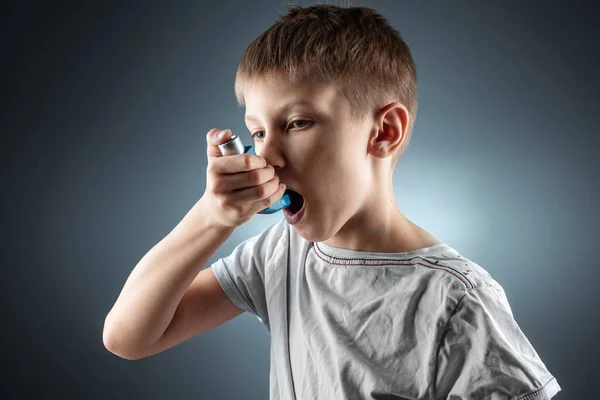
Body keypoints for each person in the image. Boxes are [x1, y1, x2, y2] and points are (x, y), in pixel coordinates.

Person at [103, 3, 561, 399]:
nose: (267, 156)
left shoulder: (456, 302)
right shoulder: (278, 255)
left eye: (298, 123)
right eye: (258, 131)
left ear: (384, 132)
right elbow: (128, 337)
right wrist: (211, 217)